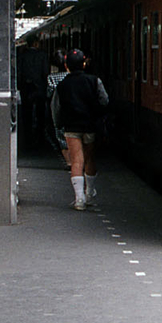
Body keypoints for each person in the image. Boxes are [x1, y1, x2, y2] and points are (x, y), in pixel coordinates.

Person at [50, 49, 109, 211]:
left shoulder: (62, 85)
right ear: (84, 63)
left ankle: (79, 199)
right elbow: (104, 101)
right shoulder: (94, 81)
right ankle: (89, 193)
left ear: (66, 65)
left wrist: (58, 124)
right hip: (90, 126)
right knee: (90, 159)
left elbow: (56, 108)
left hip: (71, 128)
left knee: (76, 160)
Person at [45, 50, 70, 169]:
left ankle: (69, 162)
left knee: (61, 136)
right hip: (73, 110)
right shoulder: (71, 77)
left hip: (57, 109)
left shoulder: (51, 78)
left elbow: (49, 94)